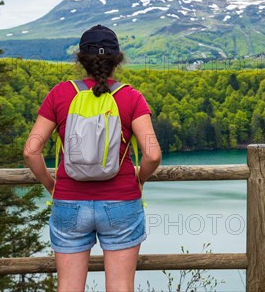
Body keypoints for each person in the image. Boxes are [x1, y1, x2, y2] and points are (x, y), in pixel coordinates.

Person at [23, 24, 162, 292]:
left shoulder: (59, 94)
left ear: (80, 59)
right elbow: (152, 154)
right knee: (121, 286)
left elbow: (31, 151)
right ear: (118, 61)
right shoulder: (131, 97)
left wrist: (52, 186)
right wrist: (140, 179)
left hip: (68, 202)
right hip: (121, 201)